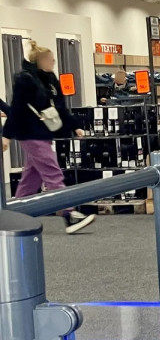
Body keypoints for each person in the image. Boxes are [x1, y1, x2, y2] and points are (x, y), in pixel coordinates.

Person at [3, 40, 95, 234]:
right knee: (53, 173)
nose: (53, 63)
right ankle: (69, 214)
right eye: (50, 60)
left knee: (31, 178)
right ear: (40, 61)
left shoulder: (50, 79)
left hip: (44, 132)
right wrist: (6, 136)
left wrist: (75, 126)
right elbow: (16, 108)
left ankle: (15, 216)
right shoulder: (25, 80)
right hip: (29, 134)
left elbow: (60, 106)